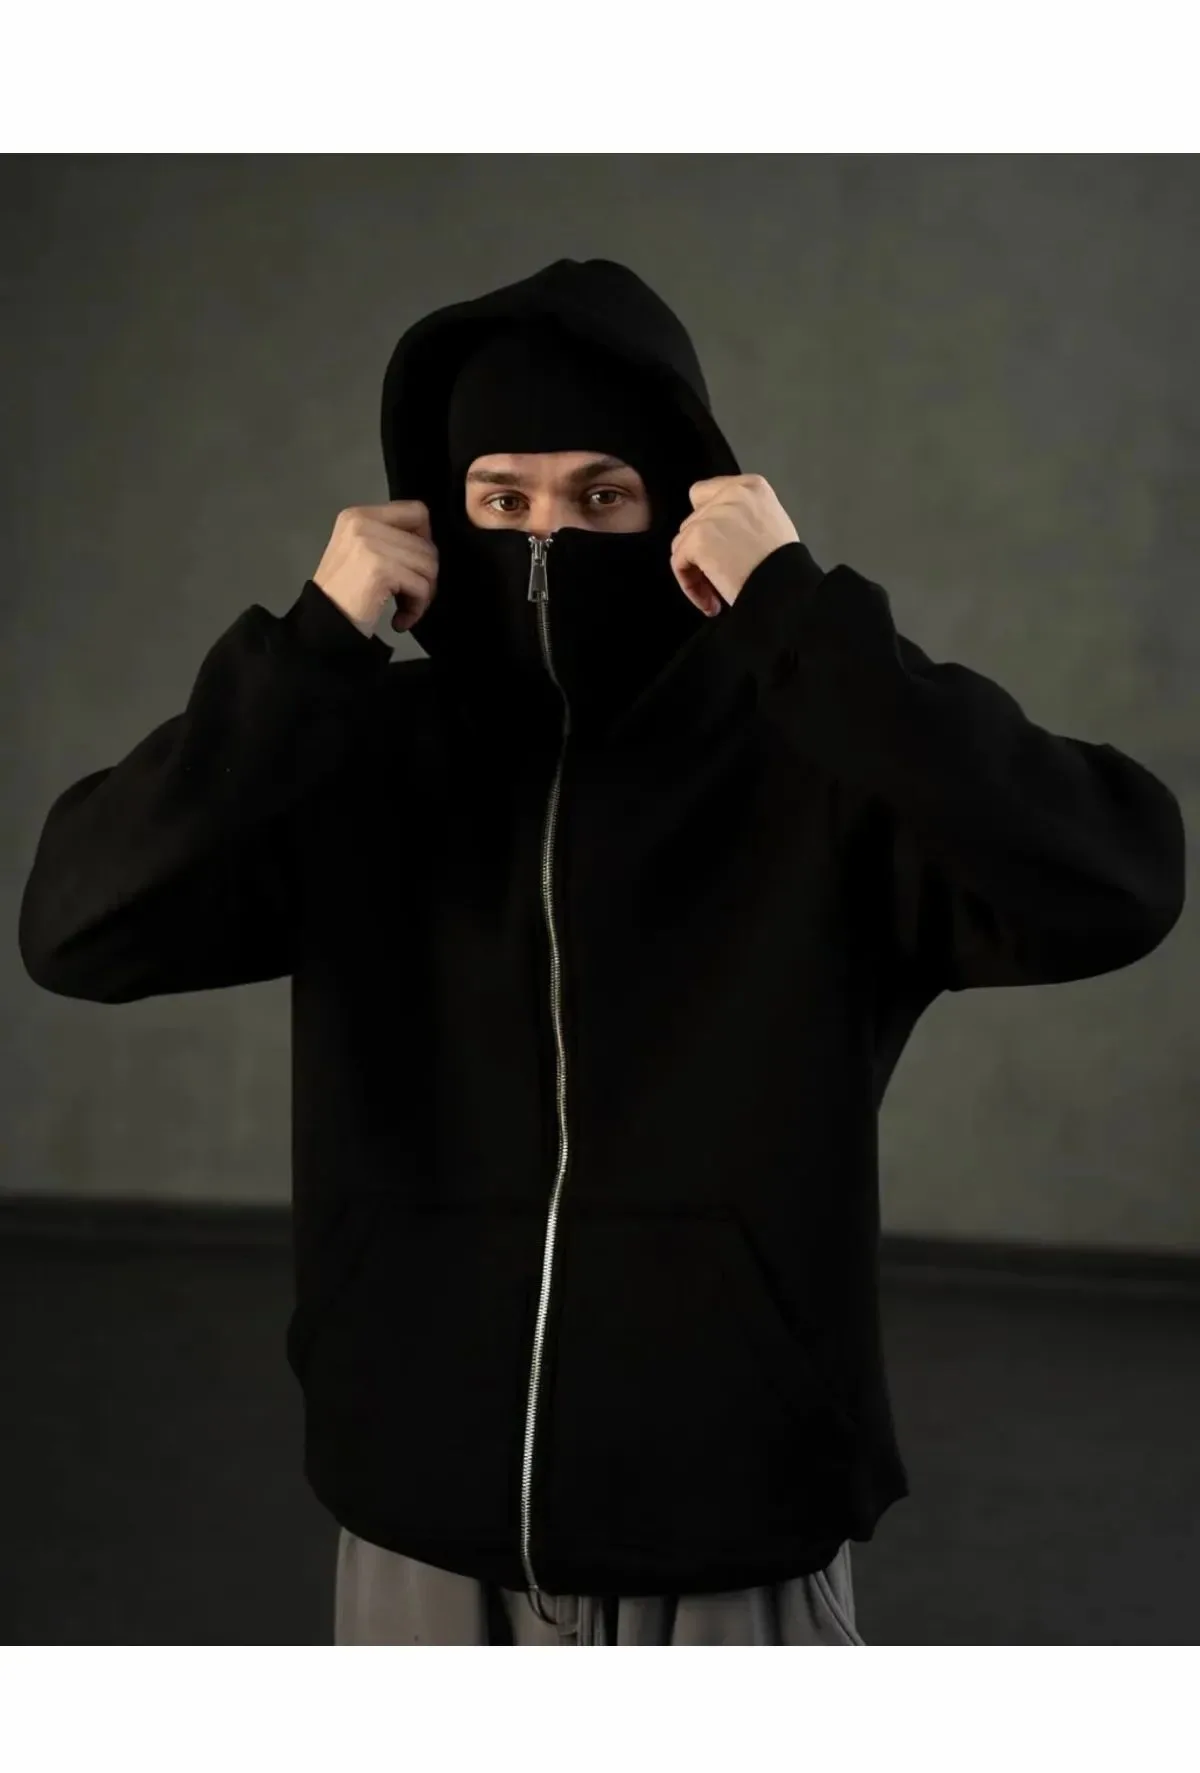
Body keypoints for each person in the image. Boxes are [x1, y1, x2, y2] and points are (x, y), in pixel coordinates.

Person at [18, 258, 1186, 1646]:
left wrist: (799, 615)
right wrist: (310, 648)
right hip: (417, 1504)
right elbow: (77, 927)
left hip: (730, 1514)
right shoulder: (355, 756)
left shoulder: (819, 760)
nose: (549, 541)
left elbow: (1112, 880)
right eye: (502, 500)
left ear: (682, 508)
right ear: (437, 514)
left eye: (602, 497)